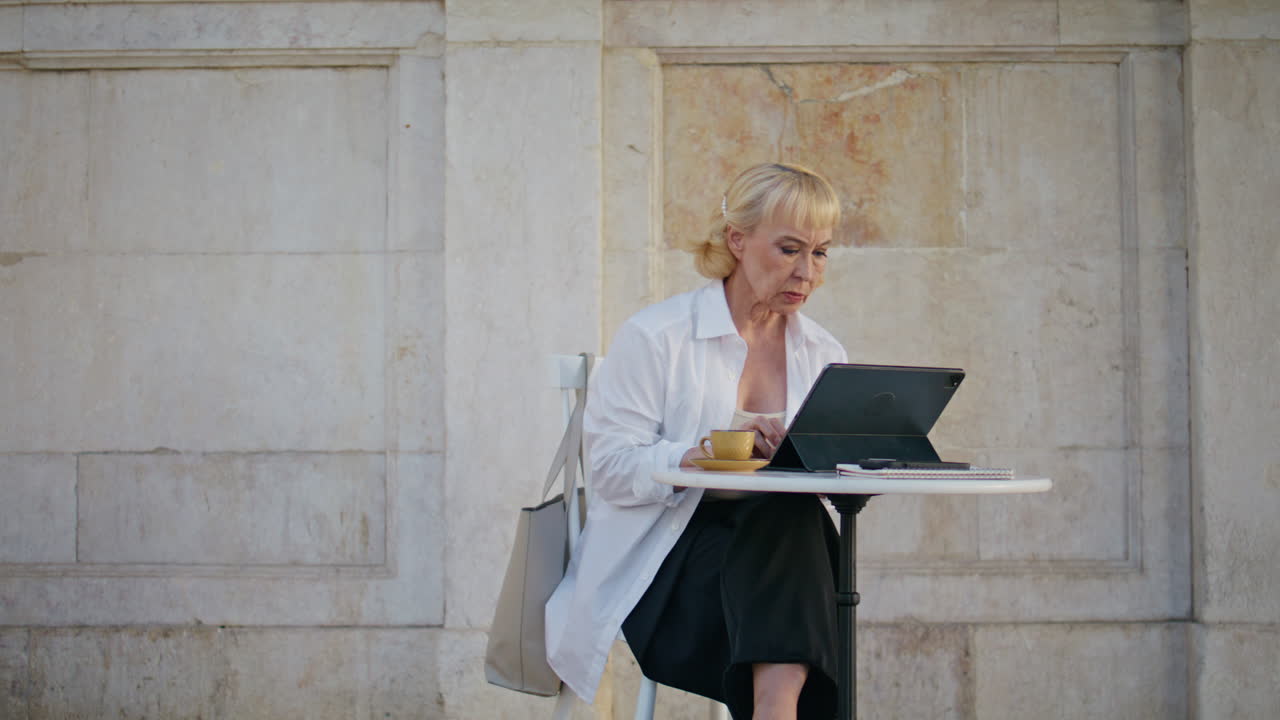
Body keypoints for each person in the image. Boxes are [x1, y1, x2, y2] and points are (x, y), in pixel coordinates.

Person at [546, 162, 847, 720]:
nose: (808, 272)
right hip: (666, 569)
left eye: (821, 252)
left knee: (792, 520)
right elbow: (609, 468)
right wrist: (702, 453)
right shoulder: (657, 336)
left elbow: (834, 492)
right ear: (737, 240)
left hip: (777, 572)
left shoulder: (824, 355)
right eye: (789, 249)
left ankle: (772, 709)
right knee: (802, 550)